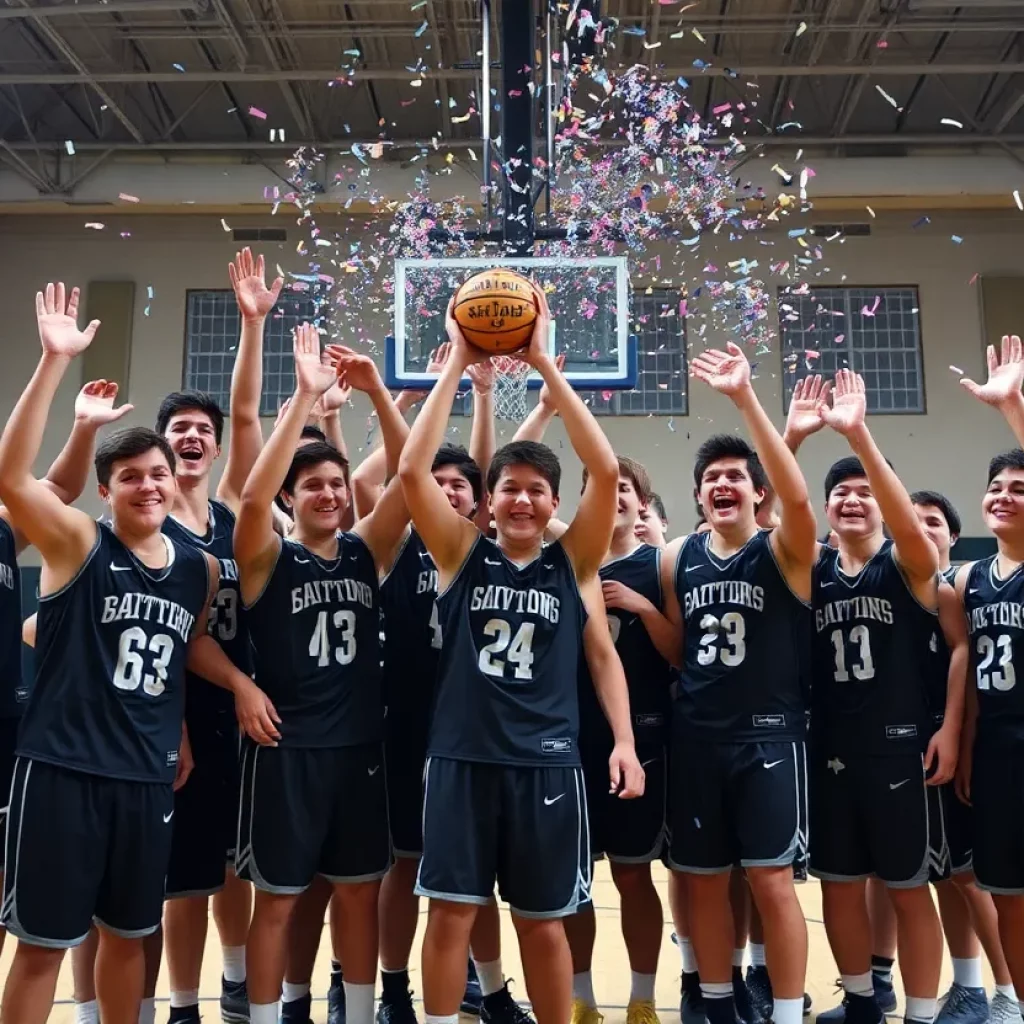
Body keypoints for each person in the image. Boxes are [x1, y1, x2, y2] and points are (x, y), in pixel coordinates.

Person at [397, 287, 644, 1024]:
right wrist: (456, 361)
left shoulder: (575, 562)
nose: (523, 501)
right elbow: (411, 473)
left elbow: (605, 472)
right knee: (449, 916)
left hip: (547, 762)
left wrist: (544, 364)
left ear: (553, 502)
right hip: (462, 758)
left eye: (537, 491)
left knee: (542, 923)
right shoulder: (459, 553)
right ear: (488, 501)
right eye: (509, 489)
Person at [0, 282, 216, 1024]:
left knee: (130, 937)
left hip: (145, 778)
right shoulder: (77, 542)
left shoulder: (198, 569)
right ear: (105, 490)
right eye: (131, 477)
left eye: (158, 474)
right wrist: (54, 364)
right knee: (42, 946)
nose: (148, 485)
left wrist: (178, 730)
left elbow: (176, 660)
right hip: (63, 772)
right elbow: (12, 478)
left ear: (175, 482)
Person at [231, 325, 410, 1024]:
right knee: (278, 899)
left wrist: (380, 394)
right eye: (313, 486)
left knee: (358, 894)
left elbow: (409, 477)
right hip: (288, 750)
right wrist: (305, 397)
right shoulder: (267, 556)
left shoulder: (366, 550)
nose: (330, 494)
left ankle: (358, 1014)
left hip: (360, 749)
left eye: (338, 483)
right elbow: (251, 501)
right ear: (290, 496)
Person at [660, 343, 815, 1024]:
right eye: (711, 478)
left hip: (768, 740)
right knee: (702, 881)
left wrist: (746, 398)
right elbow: (679, 649)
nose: (722, 484)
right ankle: (719, 1005)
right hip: (697, 738)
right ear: (698, 495)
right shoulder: (676, 557)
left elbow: (798, 495)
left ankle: (784, 1012)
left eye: (735, 476)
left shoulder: (785, 548)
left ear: (758, 492)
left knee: (772, 882)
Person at [793, 369, 950, 1024]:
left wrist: (858, 435)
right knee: (838, 887)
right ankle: (860, 1000)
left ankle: (920, 1012)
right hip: (831, 748)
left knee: (908, 890)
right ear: (826, 507)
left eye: (866, 492)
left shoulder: (908, 561)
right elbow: (772, 517)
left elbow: (909, 526)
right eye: (841, 493)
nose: (853, 500)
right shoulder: (811, 571)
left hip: (898, 752)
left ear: (886, 504)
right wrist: (795, 439)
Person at [154, 246, 283, 1024]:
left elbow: (248, 415)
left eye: (203, 428)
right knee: (185, 879)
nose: (195, 436)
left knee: (237, 863)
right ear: (162, 446)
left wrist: (252, 325)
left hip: (245, 707)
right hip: (178, 709)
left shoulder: (235, 507)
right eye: (180, 429)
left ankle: (235, 982)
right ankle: (182, 1004)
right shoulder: (146, 527)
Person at [0, 375, 137, 969]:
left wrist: (82, 427)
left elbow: (53, 487)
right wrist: (53, 361)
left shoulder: (4, 529)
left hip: (10, 722)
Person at [565, 456, 679, 1024]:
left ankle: (642, 998)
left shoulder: (660, 565)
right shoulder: (567, 561)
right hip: (570, 741)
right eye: (599, 488)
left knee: (633, 874)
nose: (612, 497)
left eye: (624, 489)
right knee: (575, 880)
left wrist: (642, 607)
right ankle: (582, 998)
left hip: (643, 741)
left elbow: (681, 654)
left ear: (642, 504)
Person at [907, 489, 1022, 1024]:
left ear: (953, 535)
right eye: (911, 522)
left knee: (971, 877)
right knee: (941, 873)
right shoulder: (908, 585)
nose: (921, 530)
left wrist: (959, 734)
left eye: (933, 521)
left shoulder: (962, 583)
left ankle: (1005, 992)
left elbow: (966, 667)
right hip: (921, 748)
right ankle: (972, 987)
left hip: (974, 747)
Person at [953, 334, 1024, 1024]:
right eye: (996, 487)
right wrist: (968, 742)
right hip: (998, 752)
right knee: (1007, 894)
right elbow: (969, 675)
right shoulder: (971, 578)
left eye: (1019, 488)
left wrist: (1012, 408)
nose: (1004, 496)